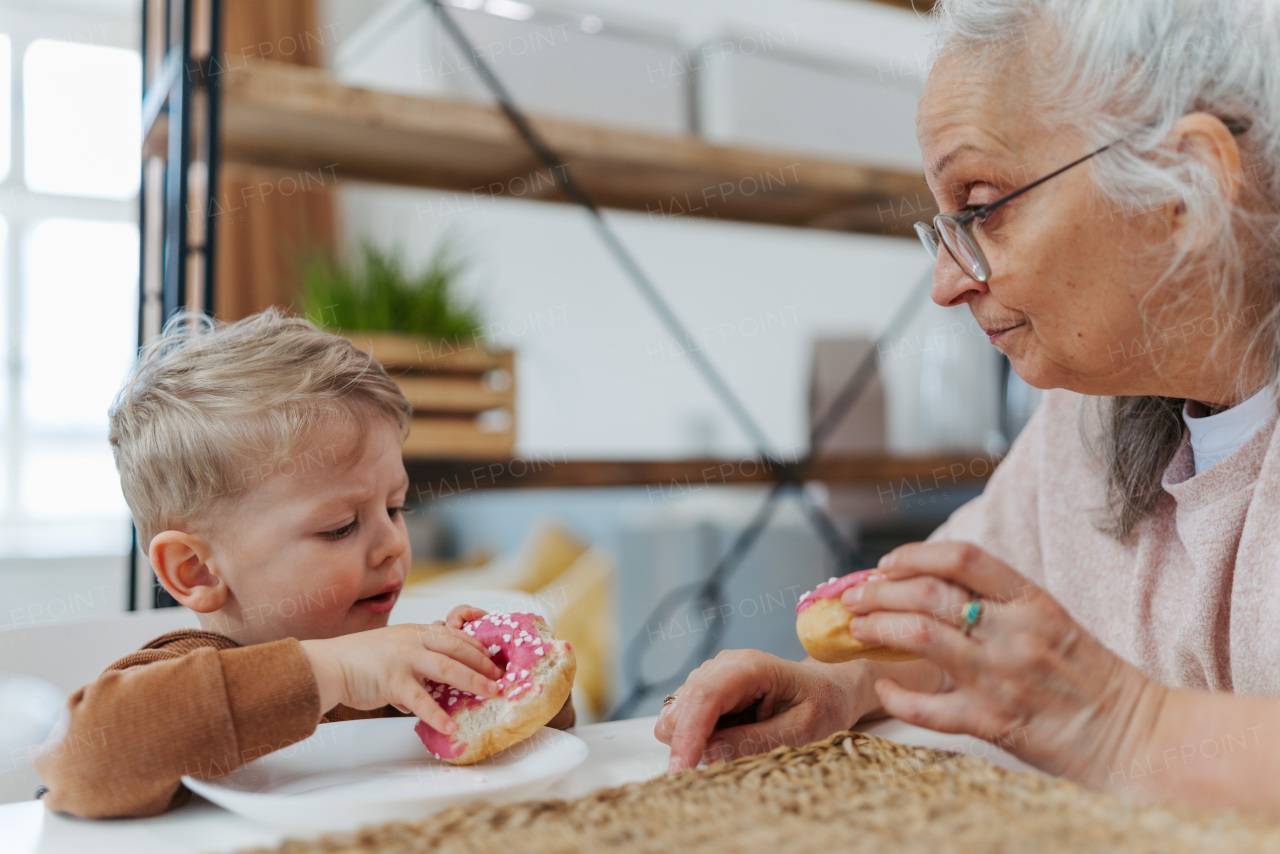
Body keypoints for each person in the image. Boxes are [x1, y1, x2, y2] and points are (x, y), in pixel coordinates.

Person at [656, 0, 1280, 817]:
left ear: (1189, 185)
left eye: (982, 207)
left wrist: (1129, 728)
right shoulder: (1090, 419)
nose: (948, 284)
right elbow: (973, 629)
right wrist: (842, 683)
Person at [33, 309, 572, 818]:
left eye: (395, 507)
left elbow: (546, 746)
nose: (392, 544)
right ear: (196, 570)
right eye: (339, 526)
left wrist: (508, 685)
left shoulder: (404, 674)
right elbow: (80, 763)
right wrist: (336, 670)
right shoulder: (183, 675)